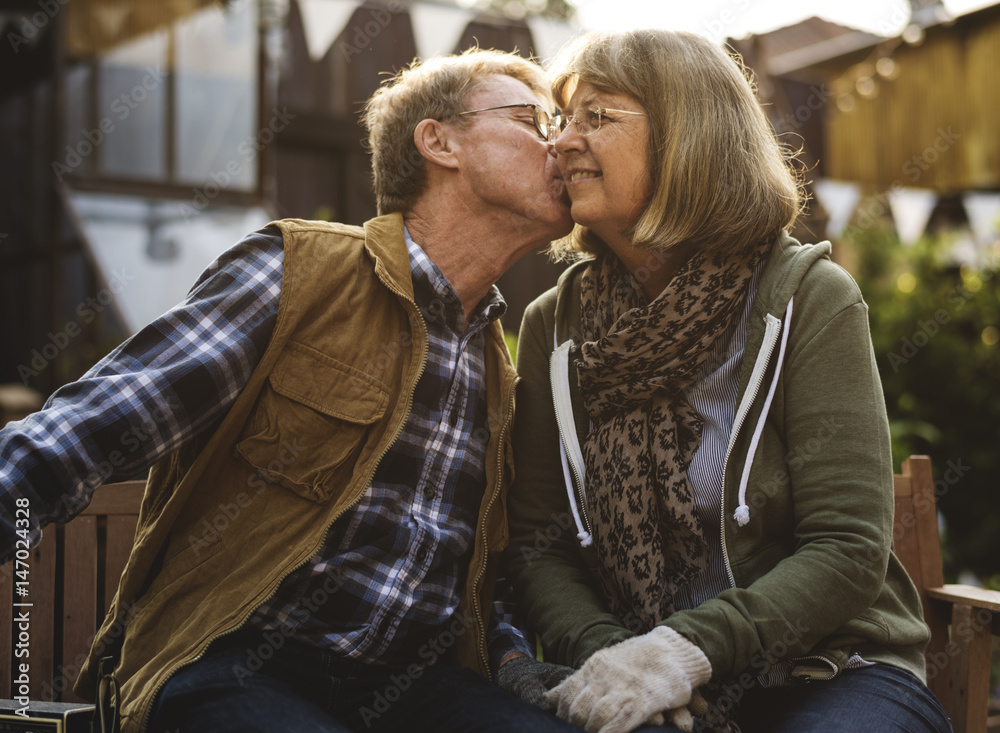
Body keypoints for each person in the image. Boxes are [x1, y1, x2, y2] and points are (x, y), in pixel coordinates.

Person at [0, 49, 582, 733]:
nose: (562, 145)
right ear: (439, 141)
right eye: (534, 120)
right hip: (232, 662)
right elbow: (89, 426)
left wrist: (514, 659)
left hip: (413, 688)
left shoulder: (499, 374)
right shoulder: (299, 274)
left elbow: (482, 578)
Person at [504, 29, 951, 733]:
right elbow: (538, 547)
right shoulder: (552, 327)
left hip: (831, 667)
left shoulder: (807, 298)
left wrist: (685, 651)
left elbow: (848, 547)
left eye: (598, 117)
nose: (560, 144)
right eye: (564, 120)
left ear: (688, 137)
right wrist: (619, 662)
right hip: (633, 670)